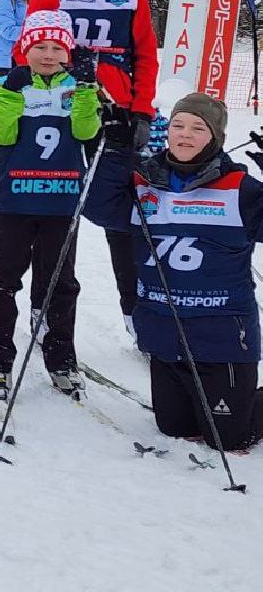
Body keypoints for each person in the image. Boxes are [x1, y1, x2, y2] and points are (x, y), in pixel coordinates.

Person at [85, 93, 263, 452]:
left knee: (227, 438)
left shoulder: (238, 189)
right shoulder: (145, 183)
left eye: (198, 128)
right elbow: (99, 209)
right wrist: (117, 151)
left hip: (222, 338)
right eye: (179, 126)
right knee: (173, 429)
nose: (185, 135)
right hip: (165, 336)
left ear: (215, 138)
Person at [30, 0, 159, 339]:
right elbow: (25, 48)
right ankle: (46, 306)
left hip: (117, 112)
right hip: (62, 109)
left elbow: (145, 52)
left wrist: (142, 109)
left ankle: (136, 309)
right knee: (59, 210)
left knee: (122, 215)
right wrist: (68, 60)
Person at [0, 0, 100, 401]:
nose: (48, 55)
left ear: (67, 52)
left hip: (62, 201)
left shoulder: (77, 86)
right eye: (40, 47)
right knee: (6, 279)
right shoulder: (11, 85)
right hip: (17, 199)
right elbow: (0, 136)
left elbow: (87, 133)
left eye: (56, 48)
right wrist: (12, 94)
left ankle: (61, 357)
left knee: (60, 283)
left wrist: (86, 91)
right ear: (25, 49)